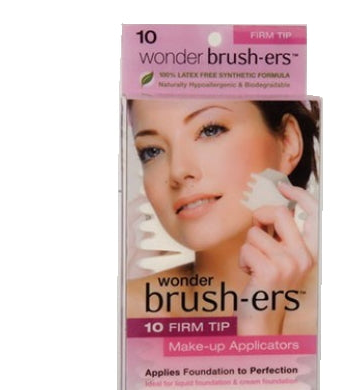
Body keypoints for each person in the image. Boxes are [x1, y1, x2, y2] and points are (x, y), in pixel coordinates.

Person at [126, 99, 319, 335]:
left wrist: (260, 325)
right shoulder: (126, 313)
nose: (177, 171)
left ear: (288, 141)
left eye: (210, 130)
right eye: (152, 151)